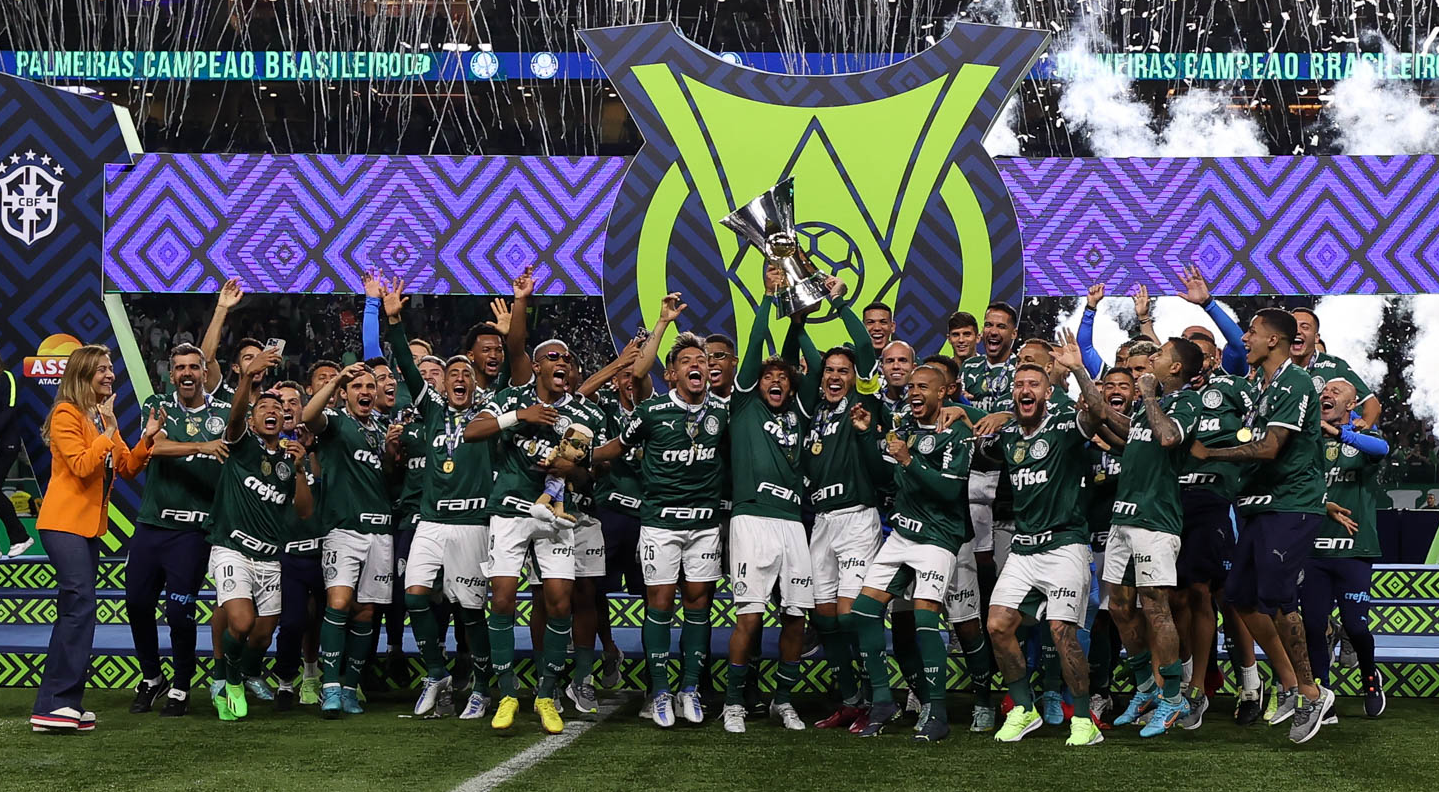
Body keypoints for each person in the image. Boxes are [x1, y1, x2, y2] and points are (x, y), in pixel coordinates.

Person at [1192, 308, 1336, 744]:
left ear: (1272, 340)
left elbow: (1272, 448)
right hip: (1260, 507)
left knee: (1276, 597)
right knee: (1238, 596)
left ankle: (1312, 692)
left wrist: (1211, 454)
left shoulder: (1293, 383)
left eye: (1251, 333)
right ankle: (1291, 684)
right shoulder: (1263, 386)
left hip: (1289, 507)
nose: (1245, 340)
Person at [592, 333, 729, 729]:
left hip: (704, 525)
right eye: (687, 360)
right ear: (672, 374)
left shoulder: (724, 412)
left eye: (701, 360)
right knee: (661, 603)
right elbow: (617, 446)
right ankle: (661, 689)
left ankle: (689, 689)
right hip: (660, 524)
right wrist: (582, 456)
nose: (697, 365)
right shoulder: (650, 412)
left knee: (699, 604)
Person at [464, 337, 595, 734]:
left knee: (559, 602)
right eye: (553, 356)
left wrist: (569, 469)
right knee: (502, 598)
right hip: (510, 511)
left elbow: (590, 475)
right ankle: (506, 693)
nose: (563, 362)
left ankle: (546, 695)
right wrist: (522, 416)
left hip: (555, 516)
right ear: (536, 366)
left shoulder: (582, 412)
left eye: (568, 358)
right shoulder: (511, 399)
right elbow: (472, 431)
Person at [31, 345, 162, 732]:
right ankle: (55, 703)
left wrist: (147, 438)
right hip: (62, 523)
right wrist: (106, 431)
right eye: (102, 369)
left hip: (87, 527)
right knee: (79, 606)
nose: (110, 375)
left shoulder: (101, 415)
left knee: (79, 610)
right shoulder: (67, 414)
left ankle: (61, 703)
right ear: (84, 374)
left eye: (110, 368)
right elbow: (84, 466)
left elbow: (127, 466)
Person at [384, 288, 499, 721]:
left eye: (466, 373)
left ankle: (483, 686)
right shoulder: (431, 410)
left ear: (474, 382)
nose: (459, 378)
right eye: (452, 372)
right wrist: (394, 321)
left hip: (473, 524)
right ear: (444, 382)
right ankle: (437, 673)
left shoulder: (489, 412)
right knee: (415, 597)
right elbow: (408, 367)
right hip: (430, 522)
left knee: (470, 611)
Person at [1081, 336, 1205, 738]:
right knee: (1118, 605)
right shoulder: (1146, 411)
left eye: (1161, 354)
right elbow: (1104, 416)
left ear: (1175, 369)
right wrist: (1078, 371)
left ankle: (1172, 697)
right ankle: (1146, 688)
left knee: (1156, 608)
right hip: (1123, 517)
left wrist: (1149, 395)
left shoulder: (1185, 403)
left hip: (1156, 521)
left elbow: (1169, 437)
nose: (1153, 358)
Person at [981, 357, 1102, 748]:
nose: (1025, 390)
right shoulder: (1009, 434)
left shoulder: (1065, 426)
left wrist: (1079, 372)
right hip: (1023, 546)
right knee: (998, 625)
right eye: (1019, 385)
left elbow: (1098, 413)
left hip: (1065, 544)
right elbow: (981, 426)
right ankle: (1023, 707)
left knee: (1061, 631)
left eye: (1034, 384)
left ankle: (1084, 720)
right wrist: (962, 411)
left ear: (1048, 393)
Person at [850, 365, 972, 742]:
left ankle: (937, 711)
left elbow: (950, 492)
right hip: (902, 535)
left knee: (923, 617)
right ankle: (884, 701)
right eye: (912, 387)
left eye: (924, 387)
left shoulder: (957, 432)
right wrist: (868, 434)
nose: (915, 392)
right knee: (864, 610)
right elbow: (883, 475)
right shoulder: (903, 431)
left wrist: (908, 460)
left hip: (938, 537)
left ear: (941, 394)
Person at [720, 271, 817, 734]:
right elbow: (758, 341)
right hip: (752, 520)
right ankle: (734, 702)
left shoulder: (800, 408)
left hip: (792, 523)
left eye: (783, 376)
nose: (775, 380)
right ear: (756, 382)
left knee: (796, 615)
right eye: (768, 376)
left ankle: (784, 700)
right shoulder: (743, 405)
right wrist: (766, 296)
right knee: (751, 616)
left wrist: (798, 324)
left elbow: (811, 370)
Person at [795, 285, 886, 730]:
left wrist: (839, 305)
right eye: (829, 370)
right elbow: (805, 353)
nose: (834, 376)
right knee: (826, 618)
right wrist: (795, 317)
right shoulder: (815, 410)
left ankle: (876, 697)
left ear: (855, 376)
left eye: (843, 371)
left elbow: (867, 350)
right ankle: (849, 698)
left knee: (852, 615)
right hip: (823, 523)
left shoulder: (862, 402)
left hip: (858, 519)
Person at [126, 343, 232, 717]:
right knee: (137, 604)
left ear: (205, 373)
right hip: (151, 524)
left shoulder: (225, 412)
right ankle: (152, 678)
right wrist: (203, 446)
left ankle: (182, 684)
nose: (187, 373)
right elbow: (154, 447)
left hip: (193, 532)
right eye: (180, 368)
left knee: (178, 612)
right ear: (171, 375)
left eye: (194, 367)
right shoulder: (157, 406)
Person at [208, 349, 314, 721]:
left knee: (262, 636)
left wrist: (300, 469)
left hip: (270, 556)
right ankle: (229, 679)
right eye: (263, 408)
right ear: (253, 421)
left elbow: (304, 510)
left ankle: (237, 672)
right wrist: (246, 379)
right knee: (240, 622)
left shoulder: (290, 458)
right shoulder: (241, 446)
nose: (272, 411)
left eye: (277, 409)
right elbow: (234, 415)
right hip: (233, 549)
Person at [1172, 330, 1256, 730]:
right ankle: (1194, 683)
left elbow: (1255, 434)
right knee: (1183, 596)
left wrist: (1207, 305)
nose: (1199, 363)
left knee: (1225, 596)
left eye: (1204, 356)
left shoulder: (1233, 388)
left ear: (1215, 358)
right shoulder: (1174, 398)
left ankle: (1248, 685)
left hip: (1220, 503)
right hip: (1176, 505)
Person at [302, 359, 395, 718]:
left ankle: (349, 686)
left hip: (381, 530)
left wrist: (391, 455)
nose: (365, 392)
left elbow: (387, 475)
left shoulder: (383, 428)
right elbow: (309, 416)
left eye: (370, 387)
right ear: (344, 395)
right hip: (344, 528)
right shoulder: (336, 424)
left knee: (366, 611)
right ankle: (329, 687)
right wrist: (338, 377)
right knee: (339, 603)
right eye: (357, 387)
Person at [1305, 379, 1389, 717]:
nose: (1327, 395)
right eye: (1324, 392)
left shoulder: (1364, 439)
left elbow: (1381, 451)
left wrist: (1340, 434)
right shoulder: (1307, 441)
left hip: (1355, 548)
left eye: (1335, 393)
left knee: (1356, 626)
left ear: (1351, 404)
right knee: (1312, 624)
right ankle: (1322, 693)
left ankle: (1370, 676)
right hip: (1313, 549)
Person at [271, 380, 327, 711]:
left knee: (322, 618)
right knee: (292, 621)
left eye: (294, 403)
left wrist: (313, 450)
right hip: (286, 550)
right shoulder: (263, 447)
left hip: (322, 548)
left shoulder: (319, 444)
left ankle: (312, 675)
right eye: (282, 403)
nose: (288, 408)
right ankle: (284, 681)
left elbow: (324, 482)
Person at [1290, 307, 1382, 429]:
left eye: (1305, 327)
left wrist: (1358, 437)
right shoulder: (1274, 366)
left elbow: (1373, 405)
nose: (1297, 331)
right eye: (1292, 327)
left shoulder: (1335, 366)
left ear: (1316, 338)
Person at [0, 359, 33, 557]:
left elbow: (9, 409)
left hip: (6, 444)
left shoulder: (6, 377)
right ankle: (19, 537)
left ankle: (21, 537)